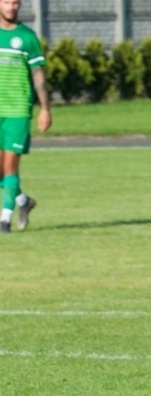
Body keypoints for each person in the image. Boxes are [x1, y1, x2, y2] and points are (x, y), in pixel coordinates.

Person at [0, 0, 48, 235]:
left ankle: (4, 221)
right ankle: (23, 201)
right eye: (7, 2)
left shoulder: (27, 37)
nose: (12, 7)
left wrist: (45, 108)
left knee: (10, 165)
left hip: (18, 109)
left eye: (16, 3)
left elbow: (38, 74)